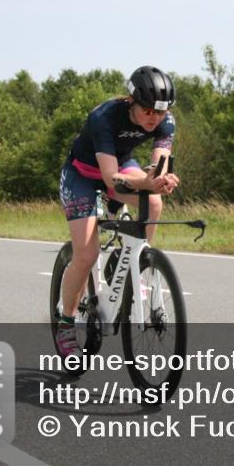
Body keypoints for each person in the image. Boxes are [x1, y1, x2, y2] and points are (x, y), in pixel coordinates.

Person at [56, 66, 181, 358]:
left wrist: (160, 179)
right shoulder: (104, 117)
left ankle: (136, 259)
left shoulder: (166, 122)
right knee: (86, 255)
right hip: (82, 176)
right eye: (148, 110)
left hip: (122, 165)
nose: (154, 118)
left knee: (153, 201)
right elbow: (111, 177)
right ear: (131, 101)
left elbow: (157, 165)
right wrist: (147, 181)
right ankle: (65, 323)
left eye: (160, 113)